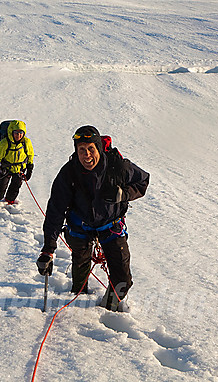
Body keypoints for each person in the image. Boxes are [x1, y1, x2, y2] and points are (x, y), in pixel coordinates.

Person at [36, 125, 149, 311]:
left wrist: (124, 194)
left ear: (99, 148)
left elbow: (143, 180)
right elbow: (55, 210)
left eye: (91, 149)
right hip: (80, 227)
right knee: (80, 273)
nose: (87, 155)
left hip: (111, 227)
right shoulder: (69, 173)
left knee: (122, 280)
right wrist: (48, 249)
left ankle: (107, 309)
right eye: (81, 150)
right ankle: (77, 301)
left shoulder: (118, 167)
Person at [0, 120, 34, 205]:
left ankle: (9, 203)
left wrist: (29, 169)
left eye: (21, 132)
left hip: (19, 170)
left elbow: (30, 155)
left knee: (13, 192)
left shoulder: (26, 142)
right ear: (11, 132)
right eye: (16, 133)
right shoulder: (5, 143)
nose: (18, 135)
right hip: (6, 169)